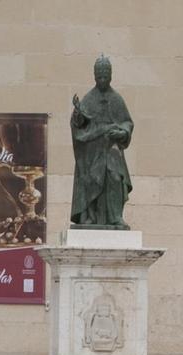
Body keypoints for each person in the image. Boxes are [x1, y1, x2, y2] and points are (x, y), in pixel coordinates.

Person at [70, 54, 133, 229]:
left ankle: (115, 217)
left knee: (115, 176)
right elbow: (80, 124)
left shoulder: (116, 98)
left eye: (105, 77)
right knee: (90, 177)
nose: (102, 80)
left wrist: (122, 132)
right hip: (92, 150)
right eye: (99, 77)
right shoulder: (89, 98)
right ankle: (89, 215)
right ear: (95, 77)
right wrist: (78, 114)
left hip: (110, 148)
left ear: (110, 76)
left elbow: (127, 122)